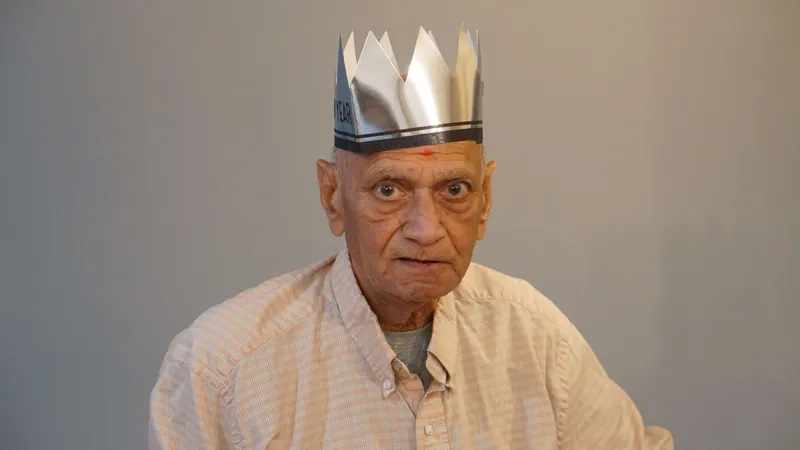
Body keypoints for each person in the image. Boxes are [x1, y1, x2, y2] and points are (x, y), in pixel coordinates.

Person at [149, 26, 673, 449]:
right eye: (389, 189)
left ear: (486, 199)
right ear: (333, 196)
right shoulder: (221, 369)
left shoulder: (537, 341)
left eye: (455, 189)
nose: (426, 229)